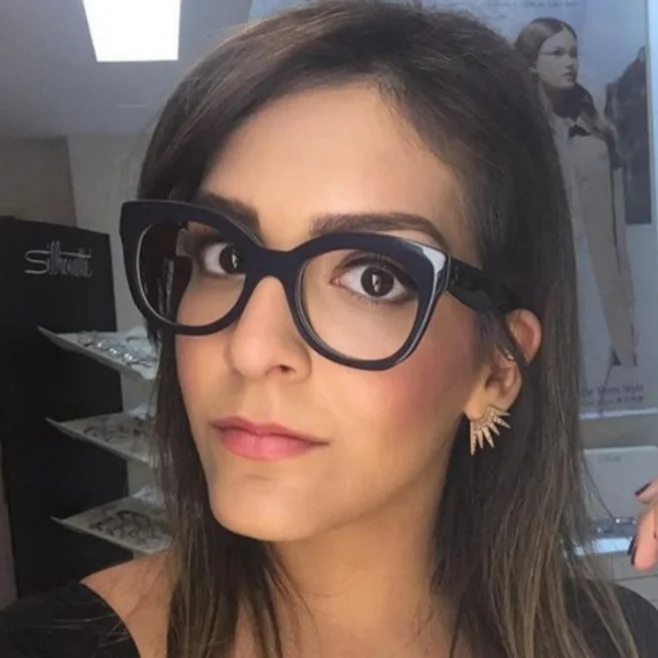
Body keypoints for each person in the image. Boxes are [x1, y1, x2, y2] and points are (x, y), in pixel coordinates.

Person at [2, 1, 658, 657]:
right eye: (226, 257)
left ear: (496, 368)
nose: (251, 348)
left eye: (374, 278)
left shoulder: (617, 639)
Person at [515, 18, 637, 406]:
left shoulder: (598, 133)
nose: (570, 63)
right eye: (557, 53)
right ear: (531, 64)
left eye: (574, 53)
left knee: (605, 393)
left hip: (601, 290)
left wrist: (626, 302)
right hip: (546, 293)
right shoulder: (517, 136)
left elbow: (616, 228)